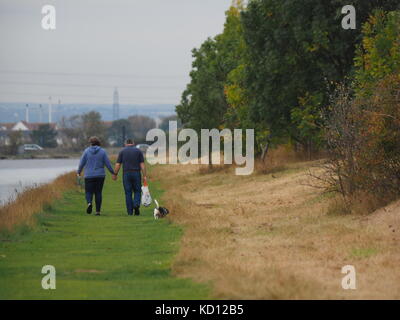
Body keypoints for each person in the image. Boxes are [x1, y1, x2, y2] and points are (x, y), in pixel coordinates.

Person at [77, 136, 116, 216]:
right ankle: (98, 211)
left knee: (88, 192)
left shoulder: (86, 151)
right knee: (98, 192)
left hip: (89, 175)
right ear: (98, 143)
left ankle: (89, 203)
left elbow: (81, 163)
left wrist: (79, 172)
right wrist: (113, 172)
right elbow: (107, 163)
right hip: (100, 175)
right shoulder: (102, 151)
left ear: (90, 143)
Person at [113, 138, 147, 216]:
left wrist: (115, 174)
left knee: (128, 193)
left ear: (125, 144)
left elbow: (118, 164)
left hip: (126, 174)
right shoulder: (138, 151)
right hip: (136, 173)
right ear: (133, 143)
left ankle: (130, 212)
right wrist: (144, 175)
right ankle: (136, 204)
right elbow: (142, 164)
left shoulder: (122, 151)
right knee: (137, 191)